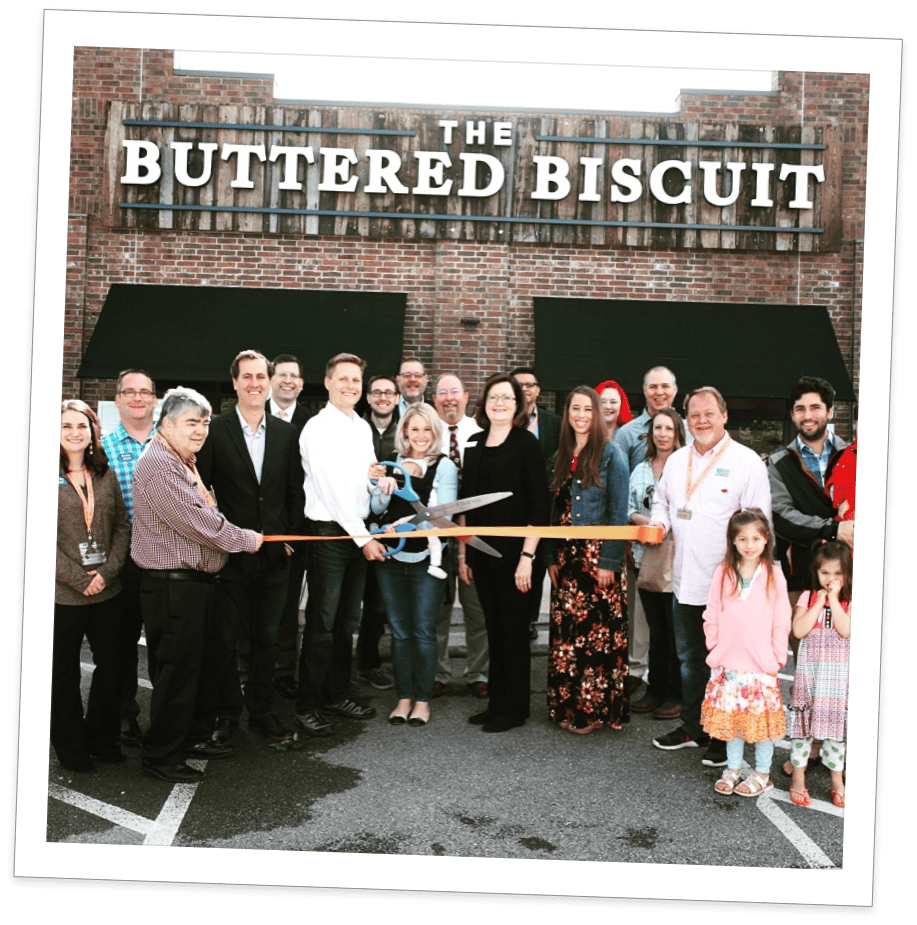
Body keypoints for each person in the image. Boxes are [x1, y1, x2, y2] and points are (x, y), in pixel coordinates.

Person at [131, 387, 262, 783]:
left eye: (205, 422)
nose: (202, 430)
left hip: (193, 585)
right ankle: (161, 757)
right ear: (166, 424)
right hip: (173, 588)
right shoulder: (159, 466)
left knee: (190, 669)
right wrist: (246, 540)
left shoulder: (183, 461)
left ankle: (182, 741)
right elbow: (199, 523)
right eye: (192, 422)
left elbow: (206, 510)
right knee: (177, 673)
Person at [649, 386, 772, 768]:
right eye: (694, 414)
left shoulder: (746, 462)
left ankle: (722, 737)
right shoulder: (677, 461)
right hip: (685, 580)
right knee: (690, 660)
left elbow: (758, 525)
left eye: (709, 413)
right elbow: (663, 502)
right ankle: (693, 727)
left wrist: (748, 584)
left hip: (729, 587)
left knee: (727, 663)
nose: (701, 420)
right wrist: (657, 523)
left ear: (724, 415)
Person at [196, 350, 307, 744]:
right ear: (236, 383)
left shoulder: (286, 433)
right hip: (231, 557)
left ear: (270, 380)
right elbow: (203, 492)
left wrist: (290, 538)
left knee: (267, 639)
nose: (255, 383)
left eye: (261, 376)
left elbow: (295, 492)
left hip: (275, 558)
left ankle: (262, 711)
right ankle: (227, 715)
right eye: (248, 377)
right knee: (226, 640)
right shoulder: (217, 430)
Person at [294, 353, 389, 738]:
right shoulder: (317, 429)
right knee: (321, 624)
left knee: (346, 623)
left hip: (356, 532)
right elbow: (331, 494)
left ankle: (336, 694)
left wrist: (376, 481)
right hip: (330, 536)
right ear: (328, 383)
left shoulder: (362, 428)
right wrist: (364, 539)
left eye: (356, 381)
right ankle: (306, 705)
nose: (351, 386)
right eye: (343, 379)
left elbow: (361, 484)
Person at [461, 374, 550, 733]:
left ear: (518, 405)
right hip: (481, 554)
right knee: (493, 628)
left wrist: (528, 558)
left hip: (516, 557)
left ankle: (515, 709)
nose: (499, 403)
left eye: (507, 398)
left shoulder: (526, 444)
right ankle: (497, 702)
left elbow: (539, 507)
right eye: (493, 397)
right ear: (483, 403)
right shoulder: (473, 443)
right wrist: (464, 556)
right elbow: (465, 505)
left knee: (513, 630)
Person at [544, 386, 630, 734]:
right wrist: (550, 556)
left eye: (587, 410)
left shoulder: (611, 455)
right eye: (575, 409)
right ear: (567, 415)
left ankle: (593, 713)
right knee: (567, 638)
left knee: (596, 639)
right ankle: (565, 708)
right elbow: (552, 511)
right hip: (565, 559)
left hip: (597, 559)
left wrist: (609, 561)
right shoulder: (560, 456)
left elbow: (618, 513)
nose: (581, 415)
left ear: (597, 415)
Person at [370, 404, 459, 726]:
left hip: (427, 562)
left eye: (427, 429)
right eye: (414, 429)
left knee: (423, 633)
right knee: (399, 633)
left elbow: (444, 518)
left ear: (435, 433)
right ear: (404, 431)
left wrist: (406, 525)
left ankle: (422, 701)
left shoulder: (445, 466)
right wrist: (381, 490)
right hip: (391, 561)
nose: (420, 436)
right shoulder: (390, 465)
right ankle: (403, 697)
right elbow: (376, 509)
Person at [54, 400, 130, 773]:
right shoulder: (42, 475)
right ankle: (71, 746)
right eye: (66, 425)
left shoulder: (105, 474)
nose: (74, 432)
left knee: (112, 666)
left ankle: (102, 737)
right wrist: (76, 578)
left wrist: (108, 572)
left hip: (107, 590)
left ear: (92, 433)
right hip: (63, 595)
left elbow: (121, 527)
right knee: (63, 673)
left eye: (81, 426)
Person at [700, 509, 791, 797]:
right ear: (733, 541)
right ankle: (733, 767)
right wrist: (714, 644)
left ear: (766, 540)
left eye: (755, 538)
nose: (749, 545)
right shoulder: (722, 572)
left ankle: (762, 773)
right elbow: (711, 611)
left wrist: (777, 657)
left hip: (761, 664)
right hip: (728, 661)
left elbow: (781, 618)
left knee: (761, 723)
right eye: (742, 539)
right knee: (734, 720)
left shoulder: (774, 575)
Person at [100, 369, 157, 748]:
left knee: (165, 645)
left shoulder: (170, 444)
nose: (137, 398)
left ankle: (167, 718)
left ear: (155, 399)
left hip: (164, 560)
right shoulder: (101, 449)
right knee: (120, 646)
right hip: (122, 561)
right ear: (117, 400)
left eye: (144, 392)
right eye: (129, 392)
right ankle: (123, 717)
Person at [768, 377, 851, 616]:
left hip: (849, 572)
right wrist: (833, 530)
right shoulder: (778, 463)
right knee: (802, 647)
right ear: (792, 415)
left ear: (830, 411)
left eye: (815, 407)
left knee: (846, 648)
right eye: (800, 409)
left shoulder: (853, 456)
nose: (807, 415)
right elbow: (781, 516)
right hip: (801, 573)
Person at [432, 373, 489, 699]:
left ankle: (478, 673)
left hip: (470, 534)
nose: (449, 398)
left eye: (455, 392)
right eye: (442, 393)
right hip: (435, 537)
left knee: (476, 609)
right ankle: (437, 672)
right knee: (437, 611)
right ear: (434, 398)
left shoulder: (479, 435)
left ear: (467, 397)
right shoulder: (426, 433)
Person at [628, 407, 686, 720]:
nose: (663, 434)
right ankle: (656, 690)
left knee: (675, 630)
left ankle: (676, 695)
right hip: (645, 559)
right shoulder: (639, 469)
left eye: (668, 428)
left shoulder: (687, 468)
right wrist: (648, 521)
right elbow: (627, 509)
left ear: (678, 433)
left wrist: (664, 524)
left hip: (678, 563)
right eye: (657, 428)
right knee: (656, 631)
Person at [786, 540, 852, 808]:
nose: (831, 579)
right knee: (802, 730)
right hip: (809, 675)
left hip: (836, 678)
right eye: (825, 573)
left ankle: (837, 781)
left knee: (836, 731)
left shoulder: (849, 601)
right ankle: (798, 778)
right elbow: (799, 631)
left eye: (838, 574)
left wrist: (834, 600)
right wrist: (819, 601)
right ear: (817, 572)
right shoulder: (808, 596)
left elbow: (846, 630)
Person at [355, 374, 401, 692]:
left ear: (397, 398)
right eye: (377, 392)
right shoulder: (355, 431)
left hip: (393, 528)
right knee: (346, 601)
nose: (383, 397)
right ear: (368, 398)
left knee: (377, 603)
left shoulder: (405, 432)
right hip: (354, 525)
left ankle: (368, 664)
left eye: (389, 392)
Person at [268, 354, 309, 702]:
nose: (288, 381)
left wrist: (293, 537)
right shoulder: (253, 416)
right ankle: (248, 668)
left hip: (294, 534)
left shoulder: (309, 424)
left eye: (294, 376)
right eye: (282, 374)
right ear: (270, 379)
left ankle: (282, 671)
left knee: (286, 607)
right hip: (254, 533)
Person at [511, 366, 560, 640]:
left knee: (538, 564)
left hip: (545, 509)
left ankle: (530, 619)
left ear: (538, 390)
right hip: (512, 510)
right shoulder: (505, 421)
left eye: (531, 384)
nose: (526, 389)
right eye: (520, 384)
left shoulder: (554, 423)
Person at [614, 366, 680, 472]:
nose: (659, 392)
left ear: (675, 390)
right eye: (653, 387)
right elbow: (618, 480)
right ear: (644, 391)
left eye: (665, 386)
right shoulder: (626, 433)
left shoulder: (689, 431)